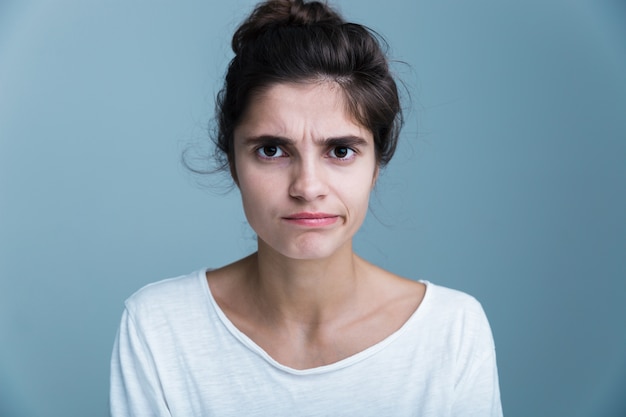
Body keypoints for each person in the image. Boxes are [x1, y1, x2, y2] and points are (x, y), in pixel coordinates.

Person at [109, 0, 503, 415]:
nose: (307, 187)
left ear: (376, 167)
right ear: (233, 163)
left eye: (341, 150)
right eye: (272, 150)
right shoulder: (159, 327)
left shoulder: (451, 330)